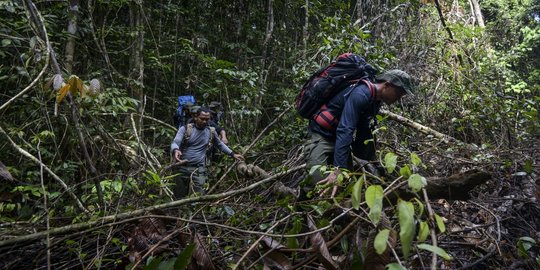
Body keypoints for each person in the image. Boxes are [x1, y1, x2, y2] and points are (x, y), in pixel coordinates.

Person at [303, 69, 414, 198]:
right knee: (319, 184)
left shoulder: (374, 101)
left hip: (337, 140)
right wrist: (339, 169)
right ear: (387, 85)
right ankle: (302, 207)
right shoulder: (361, 94)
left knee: (344, 187)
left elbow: (364, 133)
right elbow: (345, 130)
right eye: (399, 93)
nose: (399, 98)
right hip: (320, 135)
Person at [170, 107, 244, 198]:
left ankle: (196, 211)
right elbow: (175, 142)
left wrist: (233, 154)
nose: (205, 121)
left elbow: (220, 145)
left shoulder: (211, 132)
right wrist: (175, 150)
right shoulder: (185, 129)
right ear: (195, 117)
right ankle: (178, 211)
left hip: (199, 168)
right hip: (181, 167)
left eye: (207, 119)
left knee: (199, 196)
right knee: (179, 195)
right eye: (202, 119)